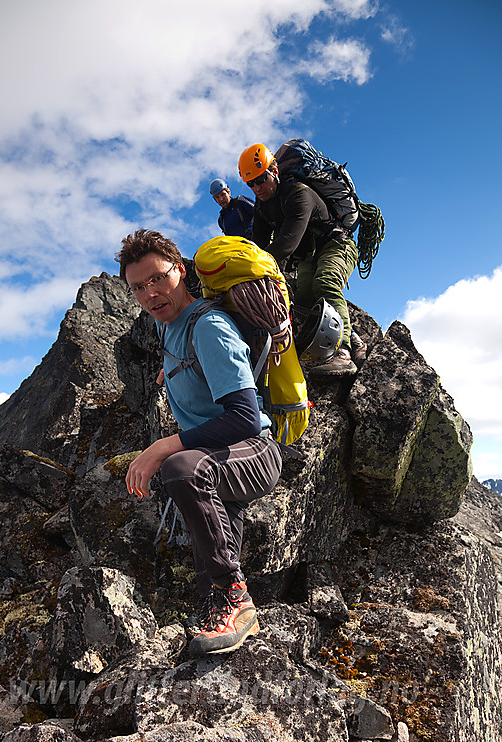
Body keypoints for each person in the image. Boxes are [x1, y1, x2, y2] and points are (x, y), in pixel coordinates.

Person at [117, 229, 282, 656]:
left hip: (255, 451)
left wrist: (162, 446)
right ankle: (223, 608)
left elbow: (245, 418)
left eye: (158, 278)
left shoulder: (209, 327)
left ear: (181, 271)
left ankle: (237, 600)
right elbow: (188, 365)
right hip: (221, 455)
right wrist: (171, 374)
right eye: (139, 287)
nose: (150, 293)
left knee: (181, 469)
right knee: (207, 551)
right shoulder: (167, 328)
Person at [238, 143, 364, 376]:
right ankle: (353, 337)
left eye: (260, 179)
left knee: (325, 283)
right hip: (309, 254)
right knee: (304, 300)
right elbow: (260, 245)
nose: (256, 187)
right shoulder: (262, 207)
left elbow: (287, 242)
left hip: (337, 245)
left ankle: (344, 351)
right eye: (250, 183)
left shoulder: (298, 193)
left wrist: (258, 270)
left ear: (274, 171)